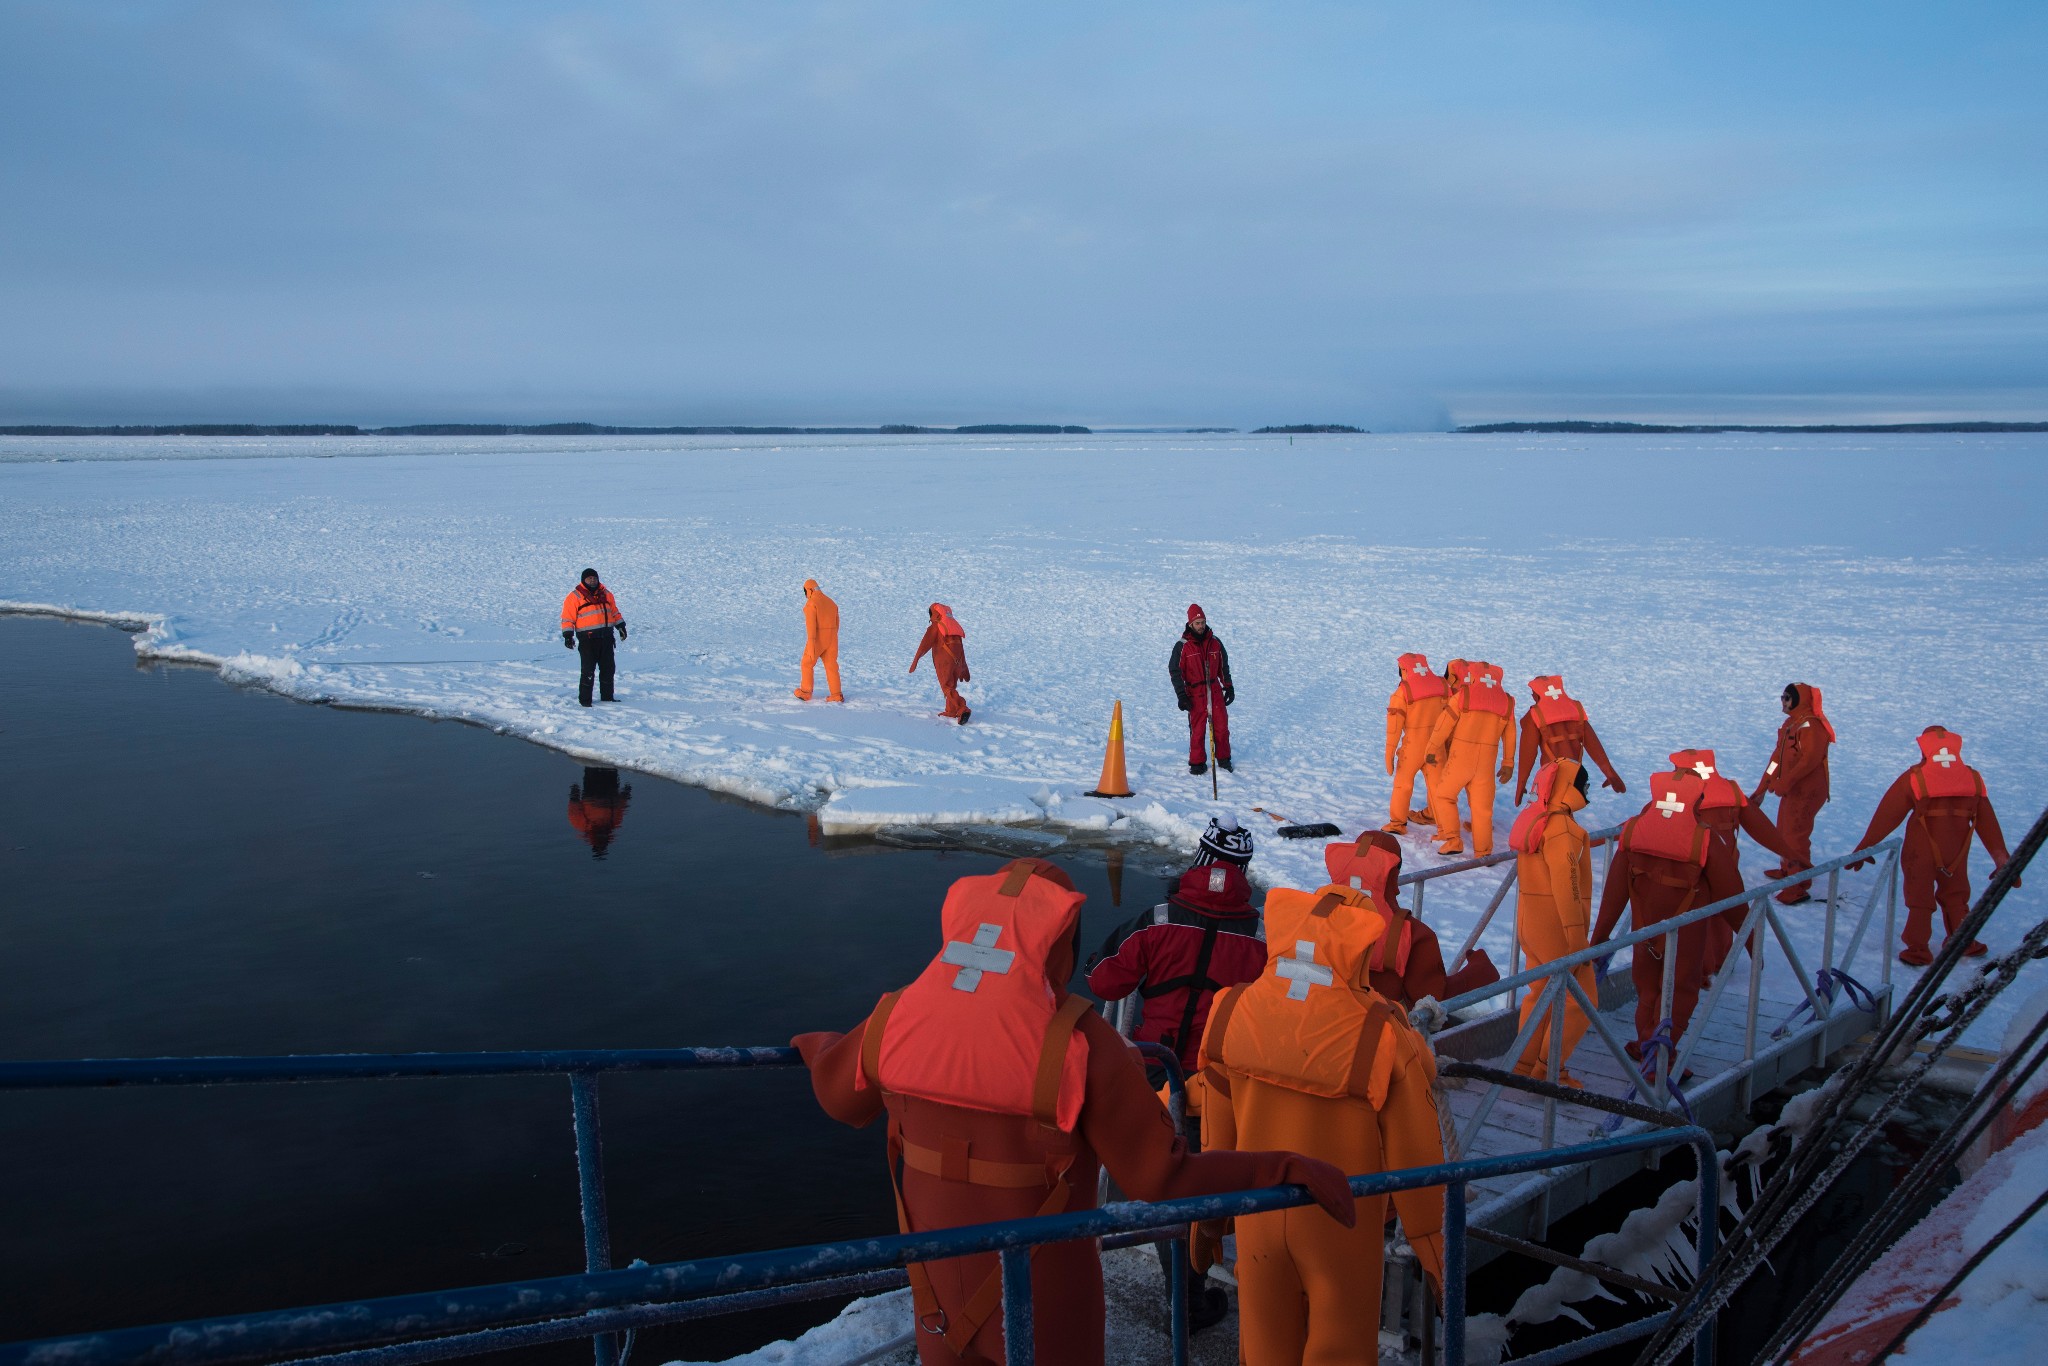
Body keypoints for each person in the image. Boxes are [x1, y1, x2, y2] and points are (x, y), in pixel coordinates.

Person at [792, 858, 1356, 1366]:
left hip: (936, 1301)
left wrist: (820, 1046)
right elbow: (1162, 1180)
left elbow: (840, 1098)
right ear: (1058, 940)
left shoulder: (893, 1018)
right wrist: (1280, 1168)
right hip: (1047, 1314)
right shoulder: (1084, 1044)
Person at [1198, 882, 1447, 1365]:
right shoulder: (1385, 1033)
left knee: (1263, 1348)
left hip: (1258, 1220)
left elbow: (1217, 1136)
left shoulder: (1231, 1010)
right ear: (1357, 948)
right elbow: (1418, 1156)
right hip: (1341, 1227)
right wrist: (1433, 1245)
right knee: (1342, 1349)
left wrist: (1207, 1219)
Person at [1084, 814, 1266, 1329]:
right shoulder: (1261, 935)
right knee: (1207, 1186)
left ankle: (1182, 1300)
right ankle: (1200, 1289)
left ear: (1201, 859)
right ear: (1243, 870)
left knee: (1170, 1189)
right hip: (1221, 1085)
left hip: (1154, 1077)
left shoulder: (1159, 918)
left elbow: (1103, 982)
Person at [1592, 766, 1742, 1071]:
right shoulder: (1705, 841)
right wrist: (1751, 939)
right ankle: (1659, 1060)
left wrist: (1600, 937)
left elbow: (1614, 894)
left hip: (1643, 934)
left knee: (1647, 991)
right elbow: (1733, 899)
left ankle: (1643, 1043)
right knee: (1679, 992)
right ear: (1697, 800)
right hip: (1683, 937)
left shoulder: (1635, 831)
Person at [1848, 727, 2013, 966]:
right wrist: (2002, 858)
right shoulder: (1973, 779)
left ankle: (1918, 949)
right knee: (1956, 895)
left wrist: (1864, 847)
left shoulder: (1915, 777)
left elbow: (1888, 814)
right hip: (1956, 852)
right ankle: (1964, 940)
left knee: (1919, 898)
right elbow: (1989, 825)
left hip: (1920, 850)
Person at [1506, 759, 1595, 1084]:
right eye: (1584, 785)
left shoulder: (1538, 819)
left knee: (1539, 992)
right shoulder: (1563, 829)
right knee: (1580, 1000)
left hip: (1532, 925)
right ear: (1570, 788)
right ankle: (1549, 1070)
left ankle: (1523, 1065)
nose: (1588, 791)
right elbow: (1566, 884)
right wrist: (1575, 936)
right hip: (1558, 927)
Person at [1669, 748, 1794, 976]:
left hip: (1695, 868)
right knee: (1725, 911)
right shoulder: (1730, 792)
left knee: (1697, 914)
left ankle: (1702, 968)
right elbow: (1762, 827)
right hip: (1727, 867)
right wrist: (1793, 856)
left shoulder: (1680, 794)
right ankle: (1722, 960)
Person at [1322, 831, 1450, 1006]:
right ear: (1394, 873)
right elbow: (1433, 1005)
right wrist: (1479, 972)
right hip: (1381, 1028)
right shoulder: (1416, 934)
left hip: (1323, 1016)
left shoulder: (1319, 914)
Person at [1751, 683, 1835, 904]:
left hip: (1808, 791)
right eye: (1783, 697)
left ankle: (1797, 885)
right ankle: (1792, 870)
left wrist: (1785, 782)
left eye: (1788, 697)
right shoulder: (1791, 724)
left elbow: (1809, 761)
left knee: (1794, 834)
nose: (1783, 701)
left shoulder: (1812, 727)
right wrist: (1761, 789)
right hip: (1793, 789)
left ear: (1801, 700)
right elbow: (1776, 760)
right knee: (1784, 830)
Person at [1425, 660, 1517, 856]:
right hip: (1486, 765)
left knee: (1444, 795)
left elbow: (1444, 724)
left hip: (1460, 759)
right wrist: (1508, 762)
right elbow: (1510, 734)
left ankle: (1453, 840)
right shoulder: (1507, 702)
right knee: (1482, 809)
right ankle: (1483, 851)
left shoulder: (1462, 696)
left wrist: (1432, 748)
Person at [1515, 675, 1626, 804]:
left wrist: (1521, 784)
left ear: (1537, 694)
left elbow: (1527, 754)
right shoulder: (1575, 709)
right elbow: (1594, 745)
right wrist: (1610, 773)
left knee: (1551, 810)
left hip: (1551, 775)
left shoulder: (1534, 715)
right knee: (1567, 808)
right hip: (1576, 774)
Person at [1384, 653, 1449, 833]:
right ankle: (1446, 828)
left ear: (1404, 670)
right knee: (1438, 787)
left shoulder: (1402, 692)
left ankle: (1397, 824)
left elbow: (1394, 728)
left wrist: (1389, 754)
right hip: (1437, 746)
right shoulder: (1443, 685)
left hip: (1413, 745)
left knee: (1403, 784)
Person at [1170, 604, 1235, 775]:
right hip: (1195, 694)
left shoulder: (1215, 643)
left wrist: (1228, 687)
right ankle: (1197, 763)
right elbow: (1175, 672)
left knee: (1221, 728)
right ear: (1190, 624)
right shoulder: (1182, 646)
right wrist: (1182, 696)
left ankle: (1224, 759)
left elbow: (1223, 667)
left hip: (1214, 691)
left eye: (1203, 622)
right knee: (1197, 730)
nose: (1201, 626)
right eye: (1197, 623)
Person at [559, 567, 627, 707]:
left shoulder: (606, 594)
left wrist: (621, 626)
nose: (592, 580)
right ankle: (585, 701)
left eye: (594, 578)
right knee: (588, 670)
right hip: (588, 640)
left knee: (608, 669)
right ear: (584, 580)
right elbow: (567, 618)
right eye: (589, 578)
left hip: (607, 638)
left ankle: (607, 697)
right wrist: (568, 635)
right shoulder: (575, 597)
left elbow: (614, 612)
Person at [909, 603, 971, 723]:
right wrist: (963, 667)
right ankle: (951, 710)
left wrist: (916, 659)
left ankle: (962, 708)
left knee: (947, 687)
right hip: (957, 661)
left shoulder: (936, 627)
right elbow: (961, 649)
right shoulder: (954, 628)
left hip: (944, 661)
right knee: (951, 686)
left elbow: (924, 645)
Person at [793, 578, 843, 702]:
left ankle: (805, 692)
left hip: (817, 639)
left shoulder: (811, 604)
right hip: (832, 638)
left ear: (809, 590)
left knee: (807, 663)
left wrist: (811, 643)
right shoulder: (831, 602)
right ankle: (836, 694)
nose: (805, 595)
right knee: (831, 666)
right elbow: (837, 623)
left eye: (805, 592)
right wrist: (831, 637)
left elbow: (811, 626)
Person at [566, 766, 632, 858]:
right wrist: (625, 794)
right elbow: (619, 808)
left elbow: (574, 809)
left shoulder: (583, 825)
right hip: (609, 789)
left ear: (594, 843)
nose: (601, 838)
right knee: (606, 763)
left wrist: (574, 794)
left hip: (593, 790)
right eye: (603, 843)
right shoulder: (613, 824)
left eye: (599, 843)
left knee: (596, 764)